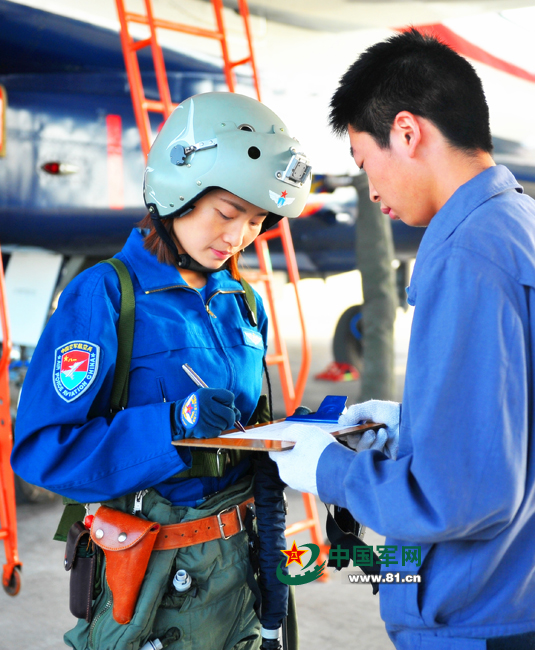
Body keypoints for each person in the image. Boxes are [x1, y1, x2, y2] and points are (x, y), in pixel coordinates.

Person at [11, 92, 311, 650]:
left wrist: (299, 439)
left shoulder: (241, 301)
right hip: (156, 586)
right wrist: (173, 425)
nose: (238, 237)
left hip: (246, 575)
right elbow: (44, 450)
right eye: (226, 213)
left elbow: (247, 432)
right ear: (177, 192)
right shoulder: (105, 297)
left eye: (257, 221)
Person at [270, 29, 535, 649]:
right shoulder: (515, 224)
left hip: (476, 615)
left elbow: (462, 497)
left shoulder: (465, 254)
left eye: (365, 162)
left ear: (408, 133)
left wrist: (330, 468)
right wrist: (415, 423)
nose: (371, 190)